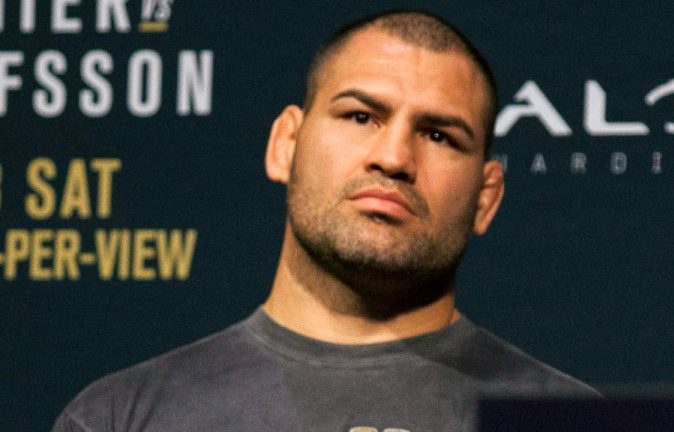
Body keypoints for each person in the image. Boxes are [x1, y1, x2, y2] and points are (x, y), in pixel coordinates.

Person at [52, 10, 598, 432]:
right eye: (361, 116)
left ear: (485, 198)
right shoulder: (119, 418)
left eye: (438, 135)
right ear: (286, 145)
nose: (394, 158)